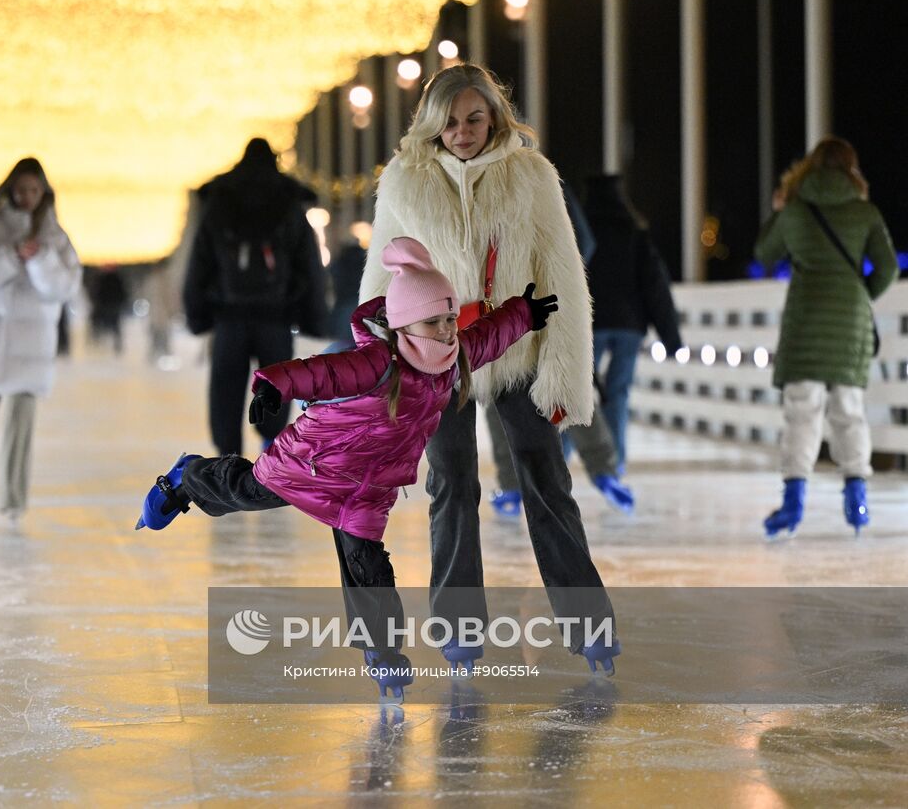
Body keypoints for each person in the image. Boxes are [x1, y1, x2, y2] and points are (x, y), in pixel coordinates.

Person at [136, 237, 552, 701]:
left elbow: (486, 338)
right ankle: (186, 477)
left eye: (450, 319)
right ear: (402, 325)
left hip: (368, 490)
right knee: (244, 490)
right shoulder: (378, 361)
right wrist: (273, 386)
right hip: (313, 462)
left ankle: (382, 654)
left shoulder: (451, 362)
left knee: (370, 568)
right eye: (434, 321)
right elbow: (323, 372)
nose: (449, 330)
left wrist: (523, 314)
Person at [359, 64, 618, 674]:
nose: (462, 131)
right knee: (451, 481)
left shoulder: (532, 176)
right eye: (449, 121)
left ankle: (589, 625)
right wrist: (378, 364)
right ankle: (457, 629)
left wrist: (564, 374)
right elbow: (381, 276)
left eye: (474, 117)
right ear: (432, 122)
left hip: (517, 347)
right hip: (435, 355)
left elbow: (562, 278)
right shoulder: (404, 180)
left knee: (545, 477)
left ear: (495, 116)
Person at [755, 137, 898, 537]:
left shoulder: (796, 210)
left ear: (810, 169)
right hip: (850, 320)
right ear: (852, 169)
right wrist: (858, 294)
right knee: (849, 410)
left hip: (804, 319)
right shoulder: (865, 212)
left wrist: (778, 212)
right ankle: (857, 504)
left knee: (802, 411)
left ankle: (792, 504)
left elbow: (765, 254)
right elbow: (887, 268)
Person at [488, 180, 636, 514]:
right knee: (566, 388)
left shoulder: (493, 184)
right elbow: (584, 239)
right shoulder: (545, 182)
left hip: (503, 305)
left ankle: (512, 486)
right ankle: (604, 470)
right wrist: (558, 274)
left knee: (501, 389)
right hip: (548, 302)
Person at [0, 157, 82, 523]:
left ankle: (13, 500)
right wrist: (10, 257)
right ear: (10, 189)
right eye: (21, 189)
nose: (27, 197)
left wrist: (39, 259)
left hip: (30, 345)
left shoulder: (55, 237)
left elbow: (64, 288)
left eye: (34, 190)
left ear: (44, 194)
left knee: (19, 430)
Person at [183, 137, 328, 456]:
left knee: (225, 390)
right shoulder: (289, 202)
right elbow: (309, 266)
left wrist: (197, 315)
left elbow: (200, 263)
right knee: (277, 383)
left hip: (228, 317)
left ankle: (228, 456)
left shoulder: (219, 200)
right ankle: (270, 448)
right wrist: (314, 317)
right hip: (275, 317)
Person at [584, 173, 683, 477]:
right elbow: (656, 285)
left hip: (594, 323)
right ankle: (616, 461)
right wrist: (671, 338)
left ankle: (563, 456)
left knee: (579, 391)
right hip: (629, 326)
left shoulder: (582, 232)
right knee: (619, 392)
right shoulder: (634, 232)